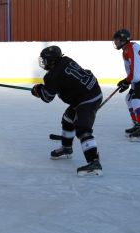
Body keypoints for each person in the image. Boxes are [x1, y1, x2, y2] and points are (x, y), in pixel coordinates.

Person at [31, 46, 103, 176]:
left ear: (52, 60)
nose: (44, 63)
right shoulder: (66, 60)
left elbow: (47, 97)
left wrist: (38, 90)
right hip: (90, 91)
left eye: (45, 60)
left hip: (88, 98)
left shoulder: (52, 76)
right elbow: (66, 81)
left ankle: (94, 163)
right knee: (68, 119)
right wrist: (43, 89)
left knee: (82, 129)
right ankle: (67, 148)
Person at [113, 28, 140, 141]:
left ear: (124, 40)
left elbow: (136, 74)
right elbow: (132, 72)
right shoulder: (126, 50)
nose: (115, 42)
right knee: (129, 98)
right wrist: (128, 83)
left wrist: (127, 81)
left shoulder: (132, 48)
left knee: (137, 99)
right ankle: (138, 124)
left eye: (117, 39)